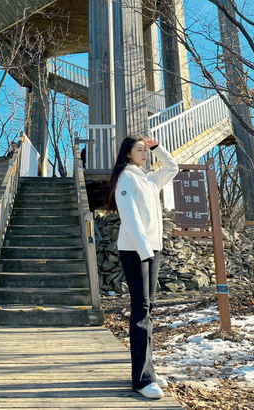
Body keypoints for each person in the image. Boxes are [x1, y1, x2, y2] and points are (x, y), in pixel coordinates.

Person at [105, 134, 178, 400]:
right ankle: (141, 380)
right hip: (135, 250)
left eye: (145, 150)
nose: (144, 153)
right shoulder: (126, 178)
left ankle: (149, 371)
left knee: (148, 309)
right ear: (128, 154)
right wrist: (145, 251)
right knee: (140, 310)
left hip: (151, 249)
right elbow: (131, 217)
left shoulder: (147, 178)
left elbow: (172, 168)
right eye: (140, 150)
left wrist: (157, 147)